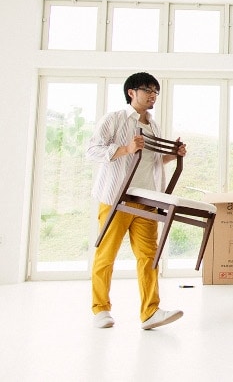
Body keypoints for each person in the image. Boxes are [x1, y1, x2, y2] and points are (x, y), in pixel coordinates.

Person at [87, 72, 187, 329]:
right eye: (148, 90)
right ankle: (100, 309)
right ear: (131, 92)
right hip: (116, 198)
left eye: (156, 91)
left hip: (146, 199)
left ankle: (150, 312)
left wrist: (173, 155)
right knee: (106, 254)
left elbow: (153, 162)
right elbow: (93, 150)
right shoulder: (114, 119)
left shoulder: (153, 126)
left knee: (149, 257)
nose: (153, 95)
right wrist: (126, 149)